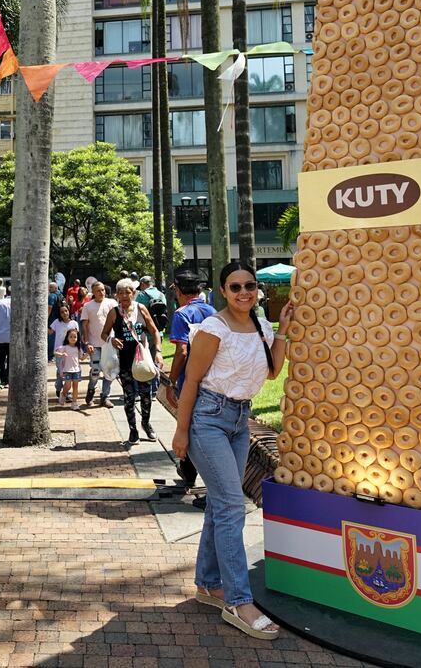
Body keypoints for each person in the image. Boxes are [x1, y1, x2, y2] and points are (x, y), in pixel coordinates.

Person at [172, 262, 294, 641]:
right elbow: (191, 379)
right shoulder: (214, 328)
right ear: (223, 291)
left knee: (220, 504)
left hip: (240, 419)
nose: (244, 293)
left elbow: (273, 372)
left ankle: (209, 584)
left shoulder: (260, 326)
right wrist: (180, 431)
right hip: (208, 418)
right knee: (230, 507)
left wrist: (283, 331)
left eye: (250, 286)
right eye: (235, 287)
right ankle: (238, 601)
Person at [164, 269, 218, 490]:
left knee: (189, 427)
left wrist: (171, 381)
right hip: (214, 381)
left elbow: (182, 351)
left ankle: (191, 474)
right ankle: (188, 471)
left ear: (178, 290)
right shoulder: (212, 311)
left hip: (191, 383)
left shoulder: (182, 314)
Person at [101, 278, 163, 444]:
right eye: (120, 293)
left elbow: (155, 331)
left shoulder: (141, 309)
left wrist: (158, 351)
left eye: (127, 292)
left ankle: (146, 424)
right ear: (117, 295)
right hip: (124, 361)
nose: (124, 295)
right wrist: (111, 339)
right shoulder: (114, 312)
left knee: (146, 395)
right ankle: (133, 430)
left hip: (141, 360)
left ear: (133, 294)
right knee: (129, 397)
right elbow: (104, 333)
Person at [80, 281, 116, 407]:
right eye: (98, 291)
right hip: (94, 344)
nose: (101, 292)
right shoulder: (88, 306)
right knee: (95, 371)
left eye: (103, 290)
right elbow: (84, 325)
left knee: (109, 371)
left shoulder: (112, 303)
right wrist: (86, 342)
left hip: (109, 343)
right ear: (93, 292)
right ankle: (91, 389)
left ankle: (105, 397)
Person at [48, 301, 80, 402]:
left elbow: (77, 336)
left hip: (71, 352)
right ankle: (58, 387)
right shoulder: (57, 322)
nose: (64, 313)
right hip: (59, 351)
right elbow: (50, 332)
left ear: (68, 311)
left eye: (66, 311)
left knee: (67, 371)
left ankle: (67, 393)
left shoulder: (74, 323)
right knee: (60, 371)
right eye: (62, 312)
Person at [55, 327, 87, 407]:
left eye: (75, 337)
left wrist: (88, 353)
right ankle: (63, 394)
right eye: (71, 336)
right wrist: (62, 354)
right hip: (67, 370)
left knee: (75, 387)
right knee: (68, 385)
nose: (73, 338)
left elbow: (82, 358)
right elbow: (55, 353)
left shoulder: (78, 348)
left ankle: (74, 403)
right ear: (67, 338)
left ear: (77, 338)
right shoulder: (64, 347)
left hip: (76, 370)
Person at [0, 291, 12, 385]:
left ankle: (1, 378)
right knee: (10, 358)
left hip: (0, 335)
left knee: (1, 358)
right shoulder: (16, 302)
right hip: (12, 336)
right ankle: (8, 378)